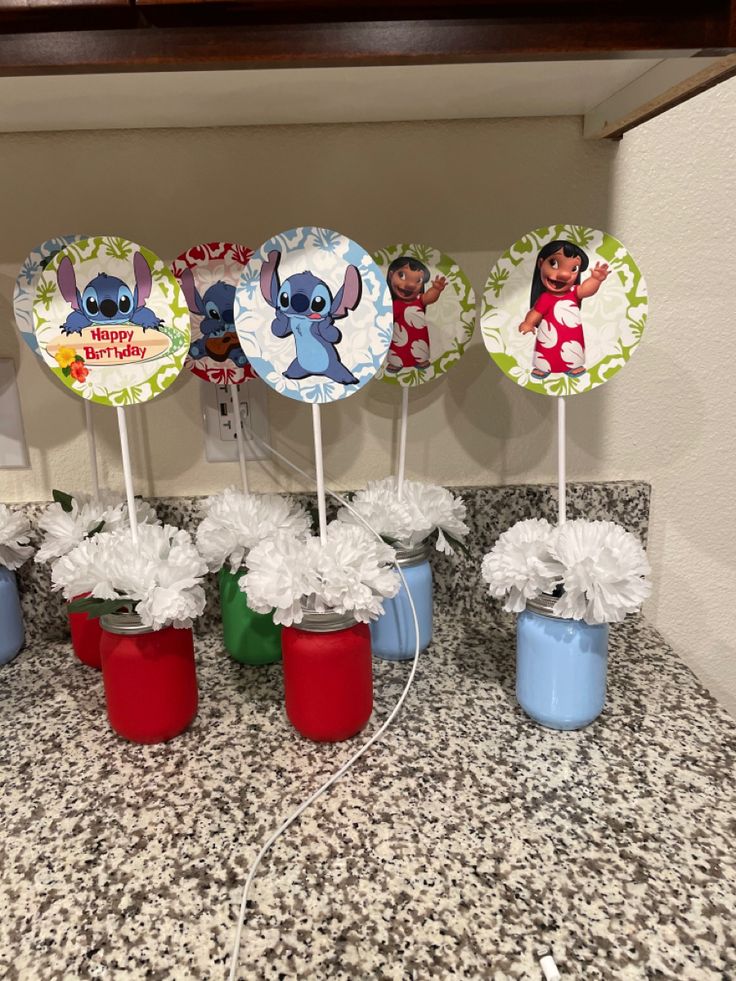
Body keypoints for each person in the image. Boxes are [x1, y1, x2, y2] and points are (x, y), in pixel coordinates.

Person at [518, 241, 610, 380]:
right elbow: (536, 313)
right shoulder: (545, 298)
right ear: (540, 263)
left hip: (572, 335)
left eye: (573, 269)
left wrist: (596, 279)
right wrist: (528, 323)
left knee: (574, 351)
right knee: (546, 348)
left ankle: (573, 366)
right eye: (554, 263)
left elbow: (586, 289)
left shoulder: (574, 292)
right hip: (548, 334)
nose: (564, 274)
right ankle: (544, 367)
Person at [385, 256, 447, 373]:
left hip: (418, 335)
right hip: (398, 333)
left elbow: (429, 297)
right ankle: (396, 362)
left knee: (420, 349)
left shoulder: (419, 299)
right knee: (397, 347)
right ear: (390, 275)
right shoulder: (392, 303)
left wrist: (436, 289)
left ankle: (420, 360)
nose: (410, 285)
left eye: (417, 280)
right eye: (402, 276)